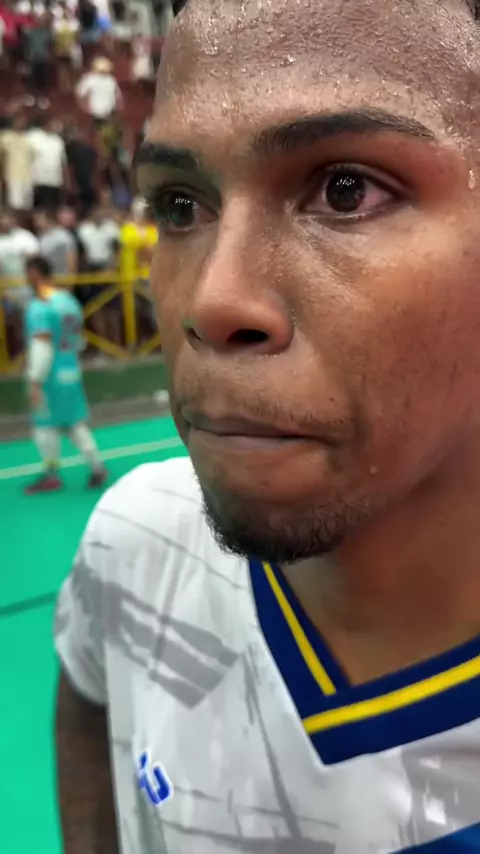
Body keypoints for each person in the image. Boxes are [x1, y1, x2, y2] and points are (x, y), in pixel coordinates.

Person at [54, 0, 480, 852]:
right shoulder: (136, 536)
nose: (213, 300)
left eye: (346, 190)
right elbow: (88, 725)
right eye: (180, 205)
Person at [23, 255, 107, 494]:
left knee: (44, 424)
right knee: (74, 421)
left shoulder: (40, 306)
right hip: (70, 368)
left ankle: (51, 474)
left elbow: (42, 344)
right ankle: (96, 466)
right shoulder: (69, 302)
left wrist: (35, 380)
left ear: (34, 274)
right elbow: (79, 339)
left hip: (50, 374)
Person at [27, 116, 68, 211]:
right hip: (37, 181)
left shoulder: (58, 141)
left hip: (55, 182)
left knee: (52, 210)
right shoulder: (32, 136)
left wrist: (65, 182)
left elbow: (63, 163)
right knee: (38, 210)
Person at [0, 112, 33, 211]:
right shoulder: (5, 137)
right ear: (13, 122)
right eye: (19, 121)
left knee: (27, 207)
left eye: (24, 121)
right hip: (12, 176)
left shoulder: (28, 138)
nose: (22, 123)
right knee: (15, 206)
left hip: (28, 177)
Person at [76, 56, 122, 126]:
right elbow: (79, 94)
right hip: (96, 114)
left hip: (107, 113)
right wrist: (85, 108)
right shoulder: (90, 79)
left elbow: (118, 97)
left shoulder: (110, 80)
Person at [35, 209, 77, 279]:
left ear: (49, 220)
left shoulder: (63, 236)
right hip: (47, 278)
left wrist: (71, 276)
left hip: (63, 277)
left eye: (39, 220)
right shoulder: (42, 237)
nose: (37, 223)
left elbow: (70, 256)